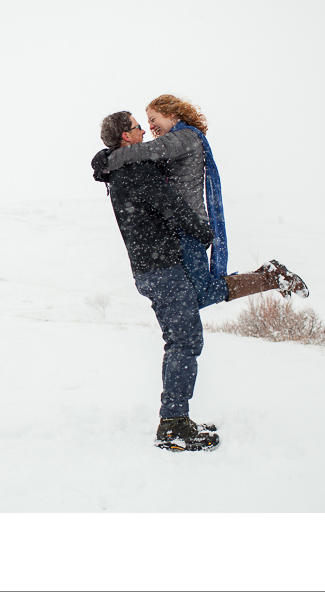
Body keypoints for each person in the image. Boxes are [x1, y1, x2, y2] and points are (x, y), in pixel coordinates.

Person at [101, 94, 309, 305]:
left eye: (153, 119)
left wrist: (107, 159)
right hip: (180, 226)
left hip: (190, 226)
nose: (150, 126)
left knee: (199, 296)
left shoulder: (185, 138)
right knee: (191, 297)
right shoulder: (175, 142)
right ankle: (270, 276)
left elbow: (145, 151)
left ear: (171, 114)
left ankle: (270, 277)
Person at [93, 111, 219, 451]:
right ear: (125, 137)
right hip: (163, 269)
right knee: (184, 341)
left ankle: (176, 416)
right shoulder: (136, 170)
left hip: (148, 270)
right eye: (136, 127)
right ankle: (174, 424)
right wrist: (203, 231)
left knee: (180, 339)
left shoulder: (118, 171)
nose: (142, 131)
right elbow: (172, 206)